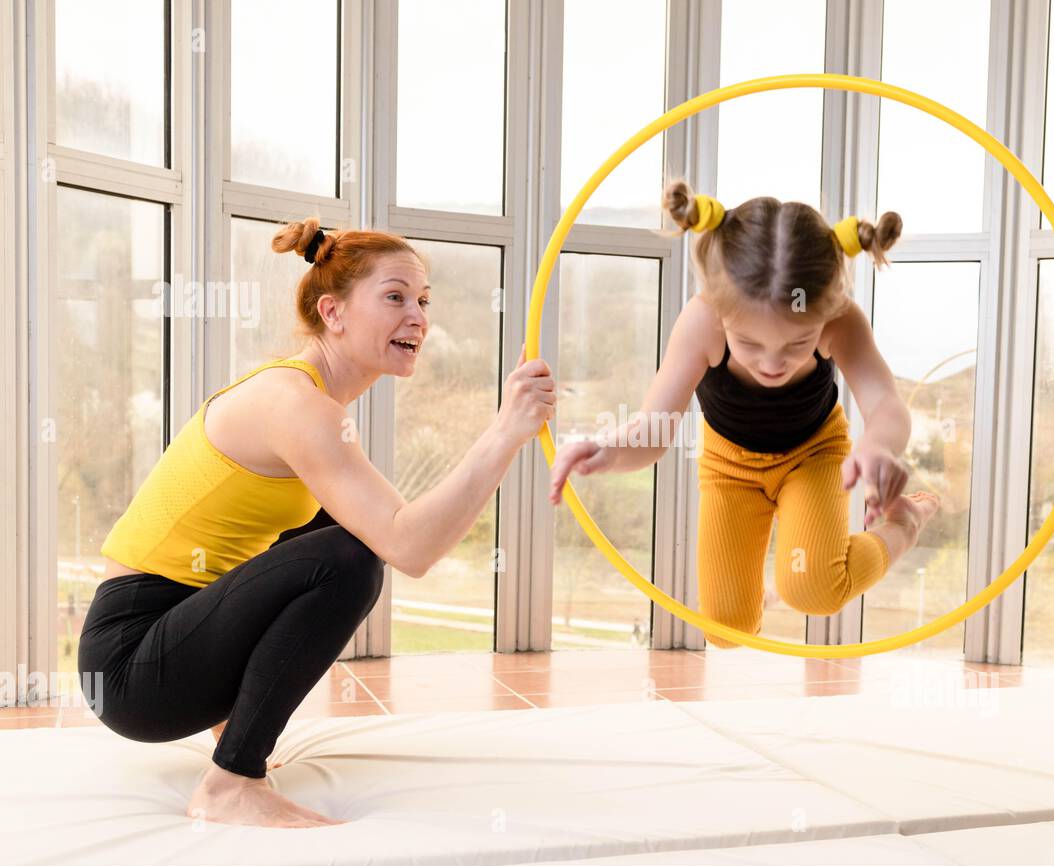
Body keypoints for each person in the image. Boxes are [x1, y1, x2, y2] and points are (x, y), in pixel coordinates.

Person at [79, 217, 555, 828]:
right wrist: (504, 433)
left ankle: (232, 726)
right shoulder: (297, 405)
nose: (418, 317)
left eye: (423, 301)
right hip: (130, 666)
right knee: (351, 556)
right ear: (332, 313)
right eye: (394, 297)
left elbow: (393, 529)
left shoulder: (309, 401)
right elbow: (410, 546)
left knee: (344, 526)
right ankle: (230, 785)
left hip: (165, 643)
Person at [548, 181, 939, 647]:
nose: (772, 364)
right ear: (721, 309)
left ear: (825, 311)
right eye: (750, 344)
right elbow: (654, 430)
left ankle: (905, 524)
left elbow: (885, 404)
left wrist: (876, 448)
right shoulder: (703, 321)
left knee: (813, 588)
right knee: (728, 631)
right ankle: (769, 586)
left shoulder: (839, 318)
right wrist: (608, 450)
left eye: (797, 344)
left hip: (813, 455)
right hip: (729, 466)